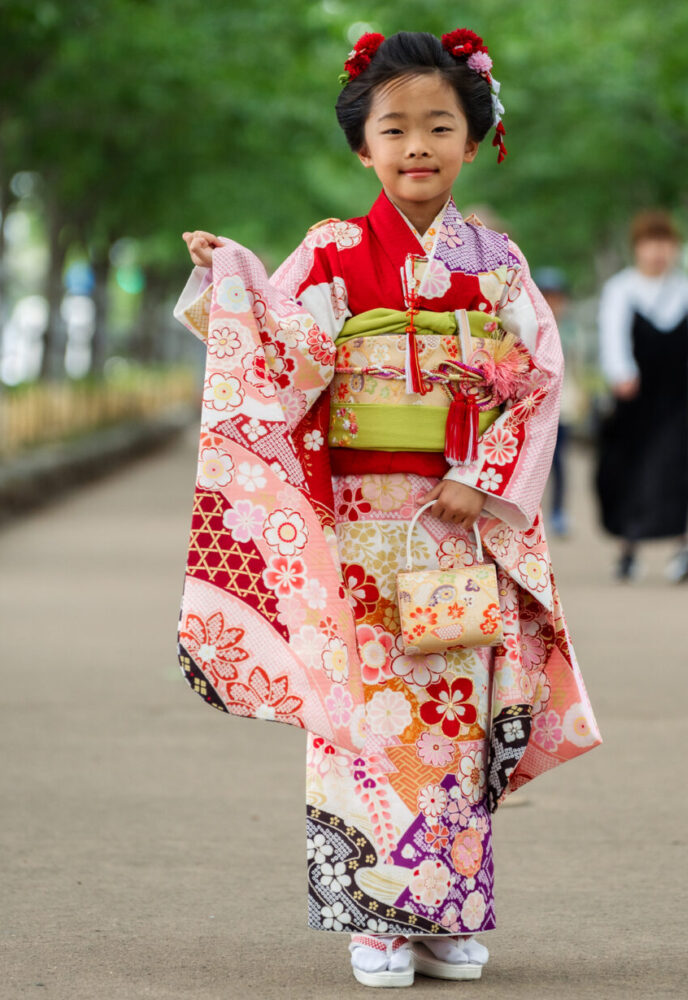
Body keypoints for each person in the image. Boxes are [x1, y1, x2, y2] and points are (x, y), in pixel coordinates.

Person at [175, 30, 600, 988]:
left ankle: (446, 910)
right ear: (362, 147)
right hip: (354, 521)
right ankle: (375, 916)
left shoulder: (496, 263)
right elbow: (279, 351)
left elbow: (538, 377)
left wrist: (485, 479)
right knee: (362, 714)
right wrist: (229, 275)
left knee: (452, 711)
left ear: (474, 136)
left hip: (452, 519)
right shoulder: (332, 253)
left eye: (439, 125)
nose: (417, 145)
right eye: (394, 128)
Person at [595, 211, 688, 582]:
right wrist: (621, 372)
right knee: (631, 466)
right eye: (650, 244)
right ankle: (629, 549)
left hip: (675, 395)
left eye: (665, 244)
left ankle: (683, 544)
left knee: (675, 466)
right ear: (638, 248)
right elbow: (612, 336)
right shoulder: (622, 289)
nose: (658, 252)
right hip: (635, 396)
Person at [533, 267, 578, 537]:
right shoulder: (529, 327)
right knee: (533, 463)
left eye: (556, 297)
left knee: (559, 462)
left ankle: (558, 511)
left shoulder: (570, 333)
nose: (552, 303)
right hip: (536, 406)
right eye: (546, 296)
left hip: (563, 407)